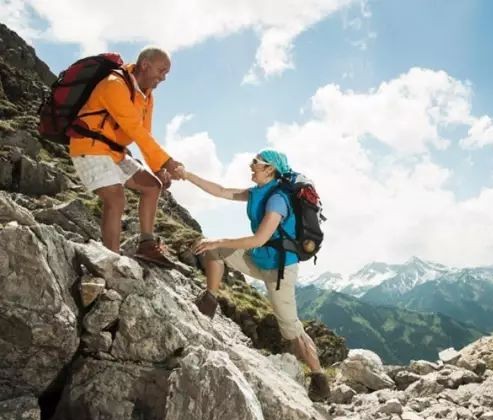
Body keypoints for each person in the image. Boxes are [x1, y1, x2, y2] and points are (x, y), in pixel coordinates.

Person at [186, 149, 331, 401]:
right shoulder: (256, 193)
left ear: (270, 169)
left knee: (291, 329)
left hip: (280, 269)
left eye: (257, 163)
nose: (251, 166)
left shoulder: (277, 200)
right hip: (259, 259)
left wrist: (219, 239)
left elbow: (260, 238)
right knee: (214, 252)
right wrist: (186, 174)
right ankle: (209, 299)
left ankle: (319, 377)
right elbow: (220, 191)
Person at [68, 46, 184, 267]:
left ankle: (146, 245)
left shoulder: (147, 97)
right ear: (145, 65)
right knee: (116, 198)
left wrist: (159, 170)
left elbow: (145, 134)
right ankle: (111, 262)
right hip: (89, 148)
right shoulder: (114, 85)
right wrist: (168, 162)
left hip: (114, 152)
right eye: (161, 71)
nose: (164, 78)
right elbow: (134, 130)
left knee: (152, 186)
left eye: (166, 73)